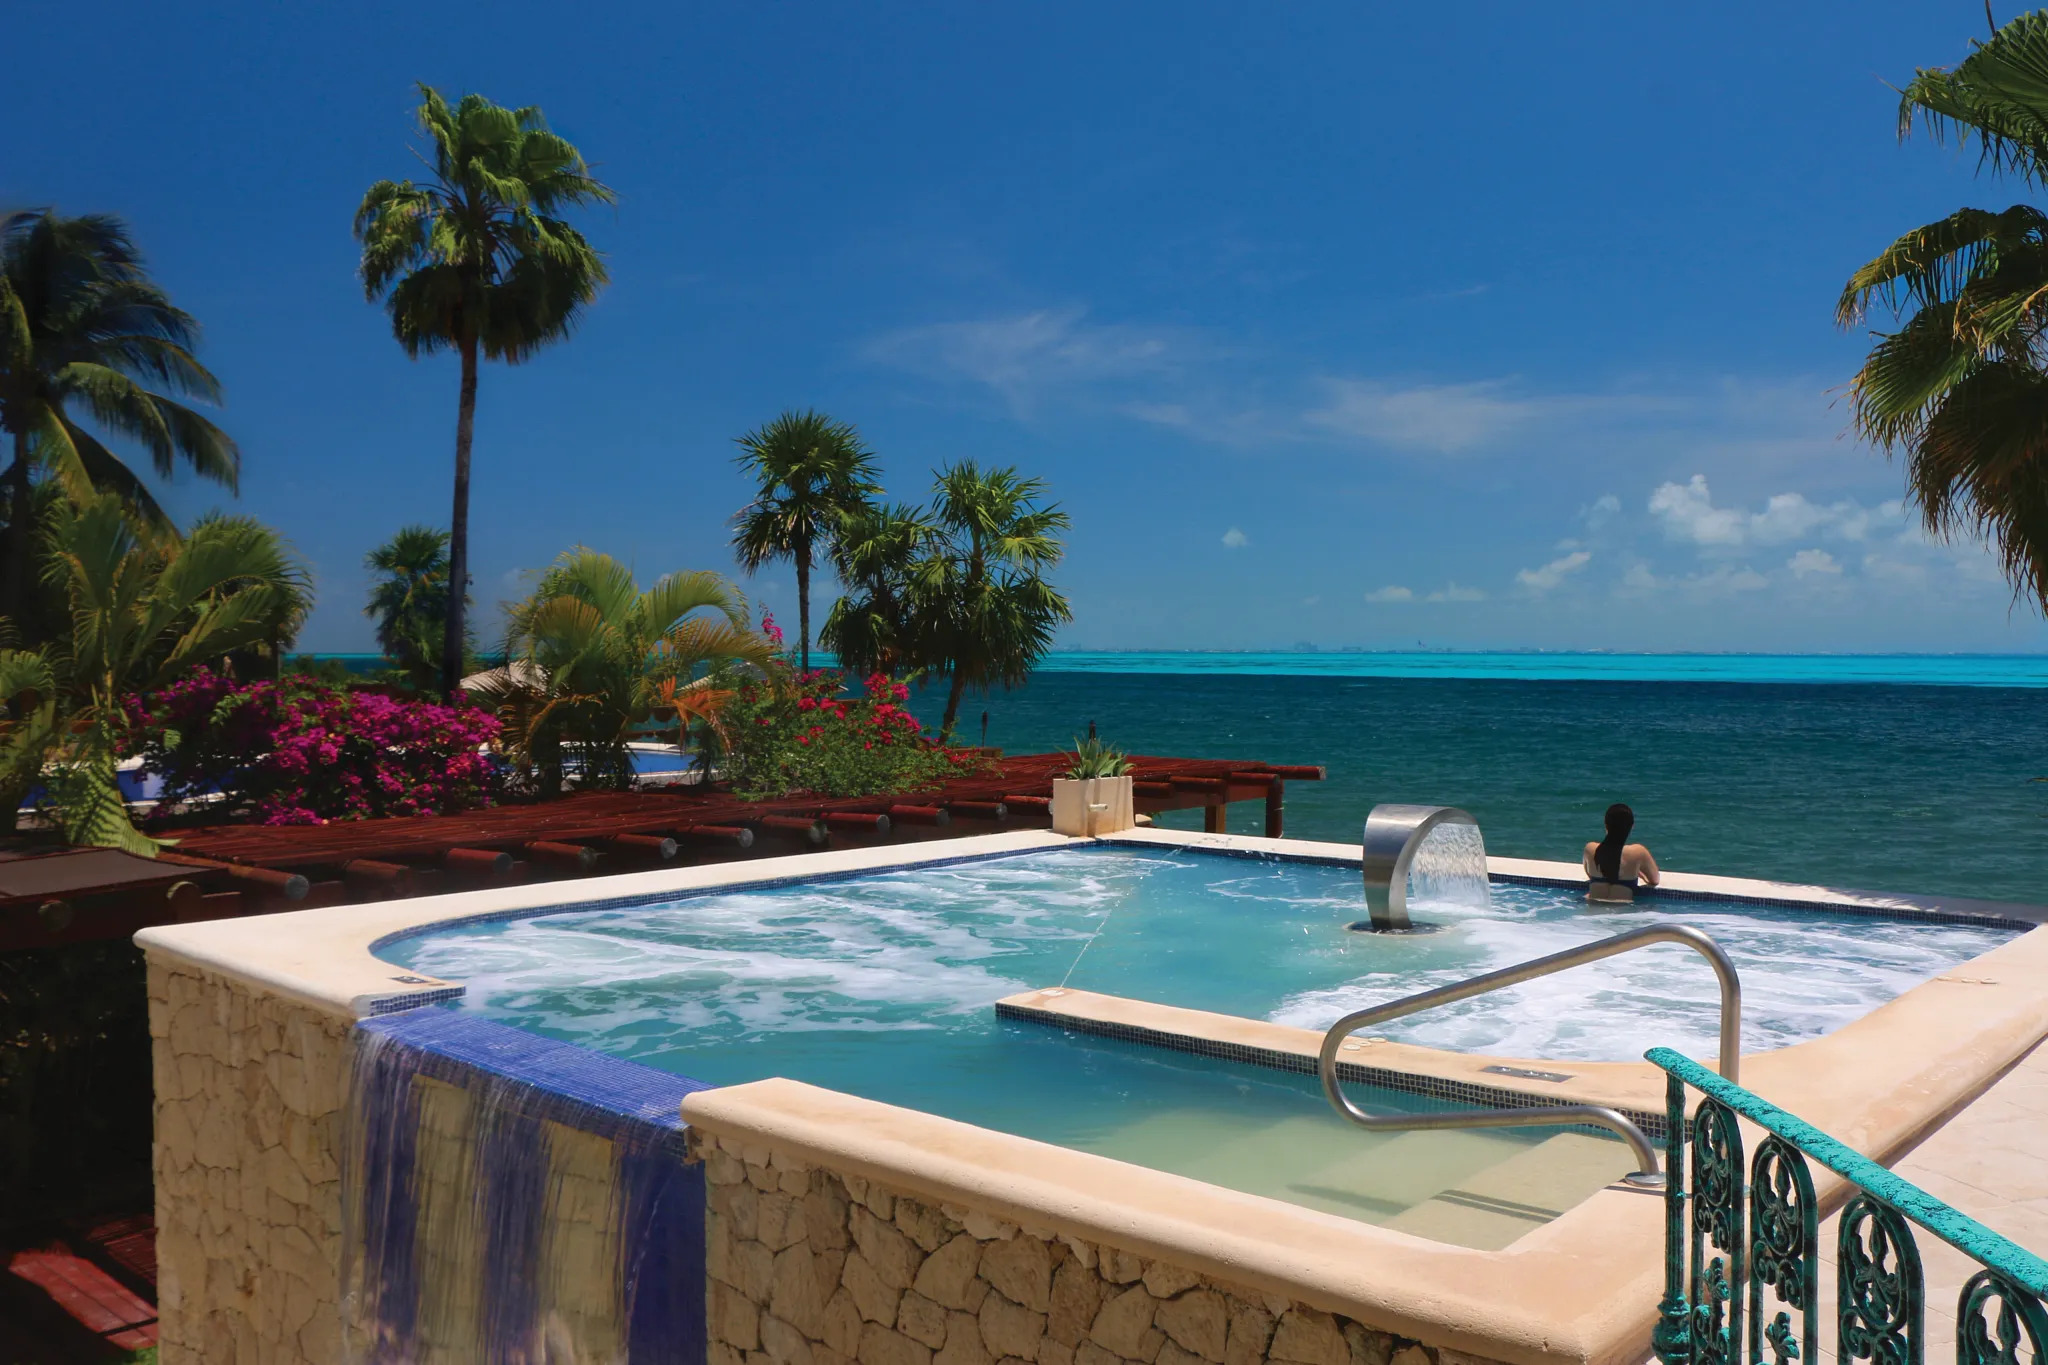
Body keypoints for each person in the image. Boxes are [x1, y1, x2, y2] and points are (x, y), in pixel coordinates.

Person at [1583, 803, 1659, 904]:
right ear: (1632, 826)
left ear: (1606, 824)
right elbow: (1654, 880)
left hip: (1592, 908)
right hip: (1622, 911)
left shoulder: (1590, 849)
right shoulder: (1638, 852)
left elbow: (1590, 874)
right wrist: (1640, 875)